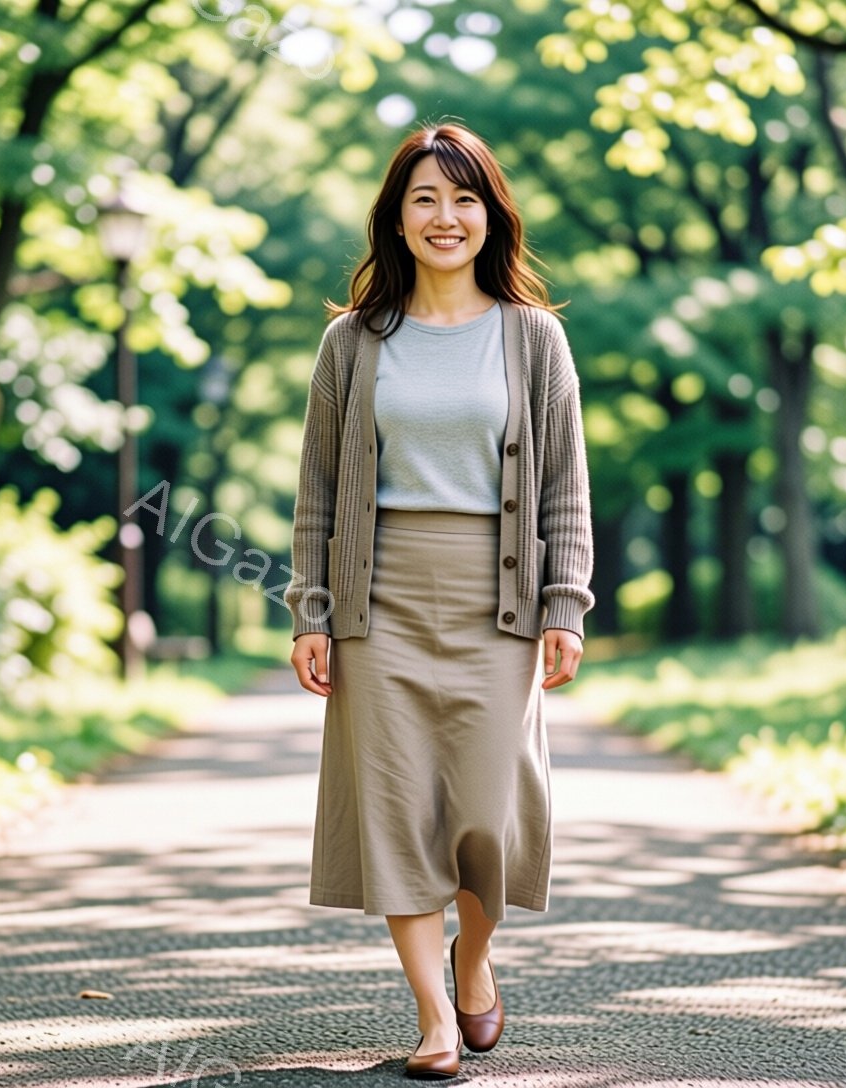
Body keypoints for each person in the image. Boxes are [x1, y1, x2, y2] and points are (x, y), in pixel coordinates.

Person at [283, 122, 596, 1080]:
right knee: (396, 809)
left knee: (487, 815)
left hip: (496, 598)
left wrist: (564, 602)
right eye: (424, 198)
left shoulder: (533, 336)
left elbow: (564, 486)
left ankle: (474, 956)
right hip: (377, 602)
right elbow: (319, 487)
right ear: (397, 218)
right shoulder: (352, 342)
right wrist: (311, 610)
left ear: (489, 215)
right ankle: (433, 1020)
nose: (444, 217)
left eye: (463, 199)